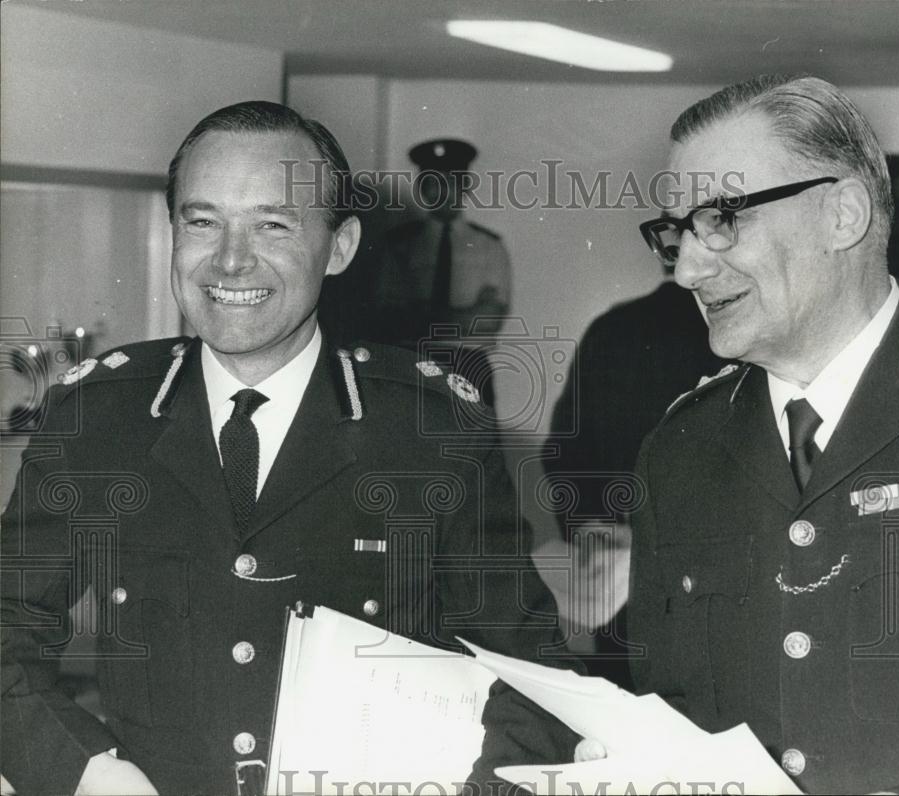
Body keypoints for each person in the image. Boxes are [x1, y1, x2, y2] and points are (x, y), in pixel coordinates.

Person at [0, 102, 576, 796]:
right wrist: (86, 771)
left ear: (340, 246)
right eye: (202, 221)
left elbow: (534, 677)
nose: (231, 259)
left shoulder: (432, 433)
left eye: (273, 225)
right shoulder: (99, 418)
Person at [627, 75, 899, 793]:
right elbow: (668, 705)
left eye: (723, 218)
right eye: (676, 233)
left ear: (842, 214)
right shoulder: (678, 453)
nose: (688, 269)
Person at [543, 278, 723, 689]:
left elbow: (563, 452)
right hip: (679, 581)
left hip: (624, 579)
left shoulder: (614, 327)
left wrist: (594, 528)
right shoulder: (735, 331)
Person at [373, 139, 511, 406]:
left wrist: (421, 315)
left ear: (465, 185)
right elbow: (388, 319)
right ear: (421, 188)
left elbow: (488, 321)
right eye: (432, 182)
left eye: (450, 181)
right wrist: (465, 315)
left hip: (469, 364)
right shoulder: (399, 246)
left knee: (471, 443)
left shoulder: (490, 247)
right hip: (411, 360)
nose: (441, 191)